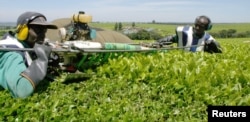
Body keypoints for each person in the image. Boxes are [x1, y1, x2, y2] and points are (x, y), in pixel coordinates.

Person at [0, 11, 58, 98]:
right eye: (38, 30)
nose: (43, 35)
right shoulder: (12, 54)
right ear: (23, 30)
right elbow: (22, 91)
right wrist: (41, 61)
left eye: (44, 31)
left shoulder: (24, 44)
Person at [157, 15, 222, 53]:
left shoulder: (208, 39)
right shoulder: (184, 32)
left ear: (206, 28)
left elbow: (219, 50)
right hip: (180, 60)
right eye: (196, 25)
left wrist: (214, 47)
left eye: (201, 27)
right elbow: (172, 38)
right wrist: (158, 43)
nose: (197, 28)